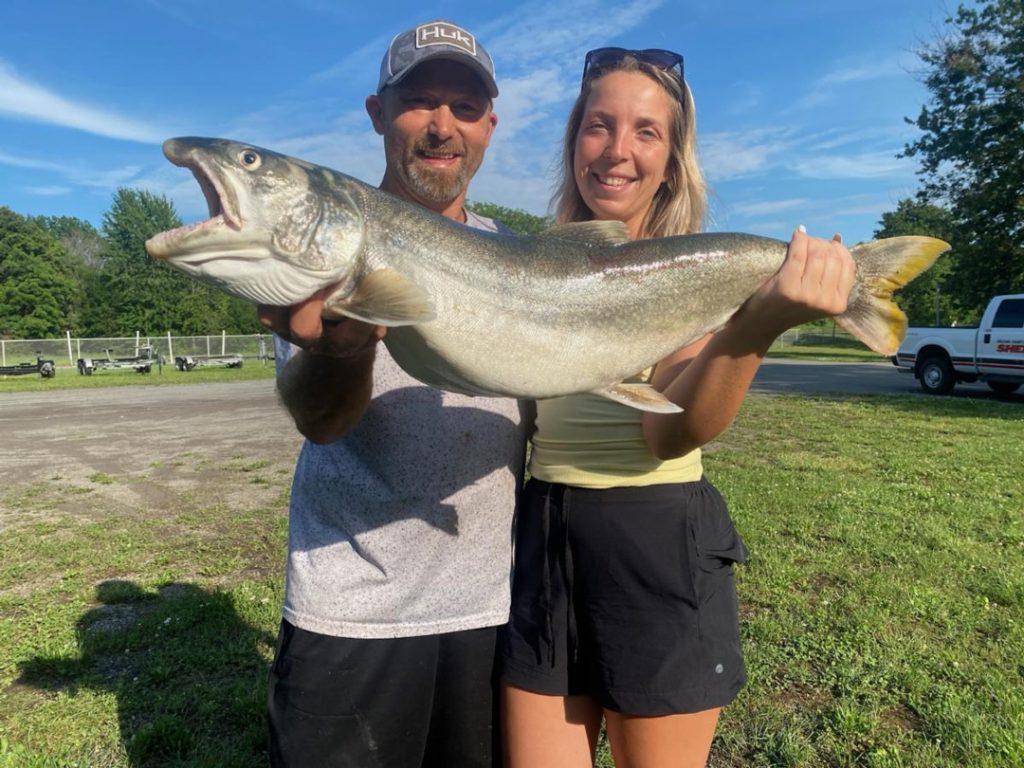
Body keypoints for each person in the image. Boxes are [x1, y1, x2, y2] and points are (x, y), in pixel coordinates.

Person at [499, 47, 856, 767]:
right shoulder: (530, 262)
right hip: (543, 534)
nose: (617, 150)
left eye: (646, 132)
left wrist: (755, 327)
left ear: (670, 162)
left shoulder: (693, 269)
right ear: (573, 142)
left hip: (654, 543)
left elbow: (671, 434)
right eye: (598, 125)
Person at [257, 20, 528, 768]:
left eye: (465, 108)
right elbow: (321, 421)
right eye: (419, 101)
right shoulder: (327, 243)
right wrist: (344, 350)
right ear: (378, 114)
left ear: (489, 127)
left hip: (493, 611)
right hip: (353, 614)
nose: (443, 125)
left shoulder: (522, 255)